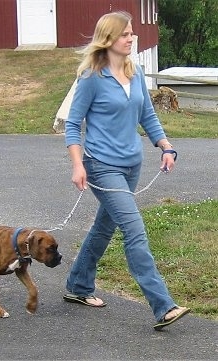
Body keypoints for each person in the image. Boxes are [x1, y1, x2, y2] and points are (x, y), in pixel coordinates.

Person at [63, 11, 190, 330]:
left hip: (130, 165)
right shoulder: (92, 77)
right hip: (101, 166)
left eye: (132, 33)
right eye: (125, 34)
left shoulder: (136, 72)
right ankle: (163, 305)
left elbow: (147, 115)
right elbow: (73, 124)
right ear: (108, 39)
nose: (131, 38)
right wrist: (78, 164)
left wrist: (165, 146)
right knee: (134, 229)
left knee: (104, 227)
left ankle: (78, 285)